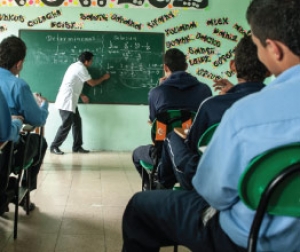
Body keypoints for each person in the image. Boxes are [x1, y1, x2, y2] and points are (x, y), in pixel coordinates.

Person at [121, 0, 300, 251]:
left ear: (274, 49)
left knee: (139, 209)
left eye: (258, 46)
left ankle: (161, 178)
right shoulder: (205, 91)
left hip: (250, 237)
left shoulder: (246, 114)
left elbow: (212, 193)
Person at [157, 35, 269, 190]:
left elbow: (192, 144)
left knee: (172, 137)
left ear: (232, 66)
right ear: (269, 70)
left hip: (212, 182)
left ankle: (162, 184)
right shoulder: (280, 104)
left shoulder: (211, 106)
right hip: (264, 178)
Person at [132, 48, 212, 190]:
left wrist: (160, 87)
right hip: (193, 152)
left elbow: (155, 124)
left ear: (165, 67)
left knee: (136, 154)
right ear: (186, 67)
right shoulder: (204, 90)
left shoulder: (156, 92)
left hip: (162, 153)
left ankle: (150, 184)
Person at [0, 35, 49, 212]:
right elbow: (38, 120)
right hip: (7, 148)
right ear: (19, 64)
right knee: (40, 142)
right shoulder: (18, 85)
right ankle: (23, 189)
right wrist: (43, 105)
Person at [50, 51, 111, 155]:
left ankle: (77, 147)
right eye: (91, 61)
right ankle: (54, 146)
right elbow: (92, 83)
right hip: (66, 101)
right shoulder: (81, 68)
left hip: (71, 101)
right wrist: (104, 78)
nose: (92, 63)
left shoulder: (75, 66)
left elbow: (73, 83)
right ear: (86, 61)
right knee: (66, 125)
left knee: (77, 123)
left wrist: (82, 95)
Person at [0, 89, 24, 215]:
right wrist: (17, 122)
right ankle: (13, 188)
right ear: (18, 67)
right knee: (38, 143)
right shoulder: (19, 85)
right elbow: (6, 134)